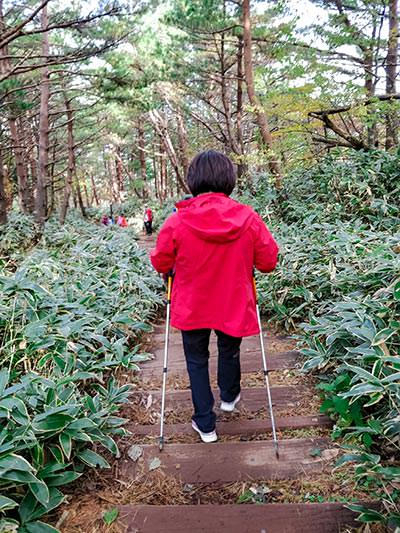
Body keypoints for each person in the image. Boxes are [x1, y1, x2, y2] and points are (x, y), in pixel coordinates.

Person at [150, 150, 278, 443]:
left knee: (196, 360)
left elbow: (160, 262)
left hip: (191, 304)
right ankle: (229, 397)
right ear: (229, 180)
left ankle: (205, 424)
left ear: (192, 180)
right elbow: (269, 262)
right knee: (229, 349)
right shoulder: (249, 218)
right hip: (233, 302)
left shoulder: (177, 221)